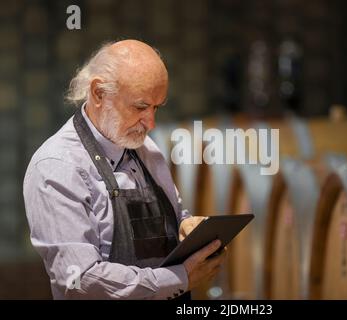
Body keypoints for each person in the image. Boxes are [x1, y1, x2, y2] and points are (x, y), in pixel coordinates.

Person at [23, 39, 226, 300]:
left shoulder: (146, 149)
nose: (151, 123)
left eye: (156, 108)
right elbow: (81, 281)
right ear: (98, 93)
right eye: (140, 107)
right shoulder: (57, 167)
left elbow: (175, 214)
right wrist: (180, 278)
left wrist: (188, 226)